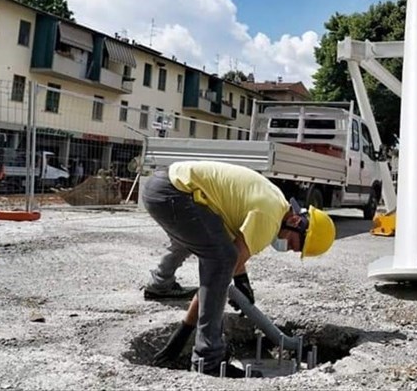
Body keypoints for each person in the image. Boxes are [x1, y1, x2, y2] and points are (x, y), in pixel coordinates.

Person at [142, 161, 336, 377]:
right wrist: (185, 329)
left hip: (167, 187)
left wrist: (242, 281)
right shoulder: (269, 218)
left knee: (220, 258)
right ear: (294, 221)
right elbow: (220, 272)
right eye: (293, 243)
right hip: (174, 194)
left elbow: (225, 259)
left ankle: (200, 345)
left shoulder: (276, 203)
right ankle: (209, 361)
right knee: (222, 262)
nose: (288, 248)